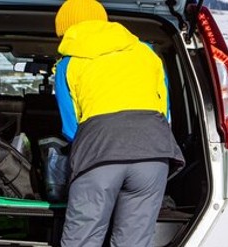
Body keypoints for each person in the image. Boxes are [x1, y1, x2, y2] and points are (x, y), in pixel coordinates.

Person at [53, 0, 185, 246]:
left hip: (100, 152)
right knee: (133, 241)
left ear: (65, 30)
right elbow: (164, 111)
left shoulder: (69, 64)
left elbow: (71, 128)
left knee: (83, 238)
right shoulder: (146, 52)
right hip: (154, 153)